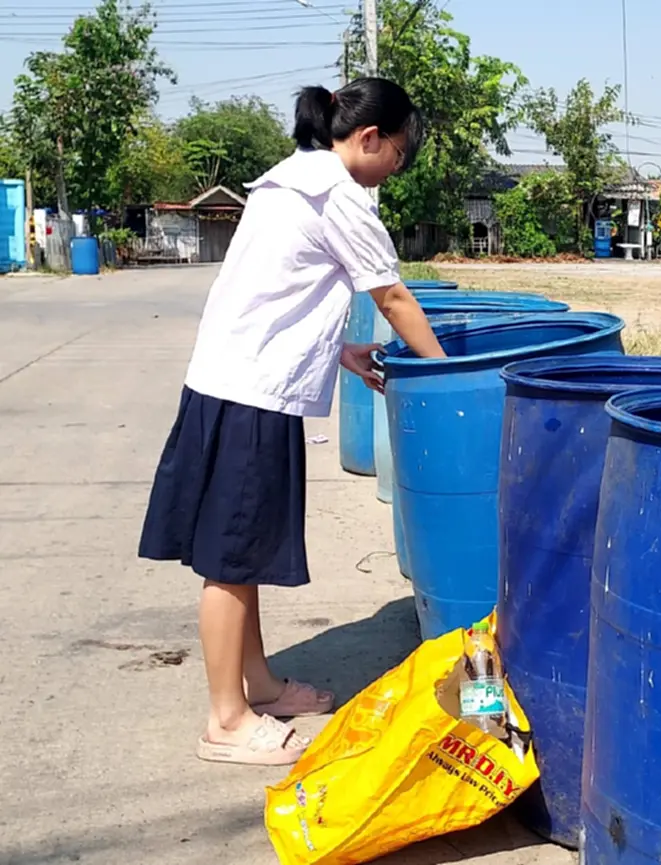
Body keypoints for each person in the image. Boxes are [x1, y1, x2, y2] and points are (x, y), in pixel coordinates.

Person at [138, 78, 447, 766]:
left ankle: (259, 684)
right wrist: (448, 371)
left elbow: (272, 288)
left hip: (235, 378)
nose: (395, 168)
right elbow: (393, 296)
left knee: (240, 548)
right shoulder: (339, 195)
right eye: (397, 154)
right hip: (251, 391)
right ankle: (226, 720)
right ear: (370, 138)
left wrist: (337, 348)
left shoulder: (288, 179)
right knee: (230, 556)